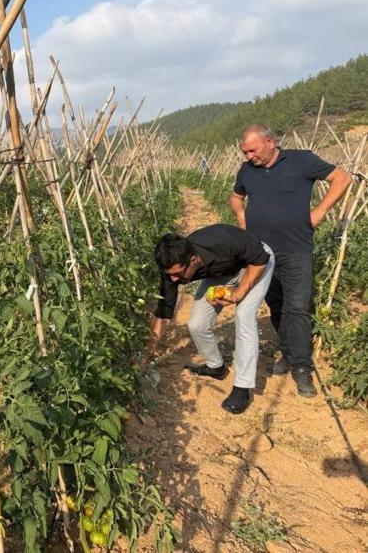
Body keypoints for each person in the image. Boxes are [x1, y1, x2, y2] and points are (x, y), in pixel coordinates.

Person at [230, 124, 351, 398]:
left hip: (296, 249)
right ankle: (287, 352)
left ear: (270, 141)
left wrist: (318, 212)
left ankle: (301, 368)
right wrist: (241, 219)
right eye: (245, 152)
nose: (249, 156)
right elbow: (236, 197)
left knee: (296, 308)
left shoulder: (302, 160)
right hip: (262, 254)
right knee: (276, 305)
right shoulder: (247, 170)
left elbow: (342, 178)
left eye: (253, 150)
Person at [144, 225, 275, 414]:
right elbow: (163, 313)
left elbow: (260, 258)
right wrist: (145, 356)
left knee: (244, 315)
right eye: (170, 275)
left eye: (179, 274)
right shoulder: (171, 270)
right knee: (197, 324)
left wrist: (238, 294)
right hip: (223, 272)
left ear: (193, 259)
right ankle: (216, 367)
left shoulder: (222, 242)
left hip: (255, 263)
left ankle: (243, 388)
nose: (174, 280)